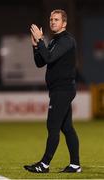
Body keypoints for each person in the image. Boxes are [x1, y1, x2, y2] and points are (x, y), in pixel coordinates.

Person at [24, 9, 81, 173]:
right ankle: (75, 165)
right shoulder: (55, 41)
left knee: (53, 126)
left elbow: (48, 58)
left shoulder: (67, 40)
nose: (52, 22)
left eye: (56, 19)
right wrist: (35, 45)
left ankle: (44, 164)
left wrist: (41, 40)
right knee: (67, 128)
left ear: (64, 23)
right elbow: (40, 62)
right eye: (51, 19)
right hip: (59, 90)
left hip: (63, 90)